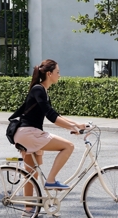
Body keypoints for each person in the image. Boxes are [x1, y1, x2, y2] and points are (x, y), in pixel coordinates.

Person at [12, 58, 84, 205]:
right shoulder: (38, 89)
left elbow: (55, 113)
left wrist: (78, 124)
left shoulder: (42, 90)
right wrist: (73, 127)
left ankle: (28, 211)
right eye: (58, 72)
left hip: (26, 133)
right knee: (68, 146)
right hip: (29, 133)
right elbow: (51, 117)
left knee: (31, 173)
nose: (59, 75)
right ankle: (50, 181)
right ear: (49, 74)